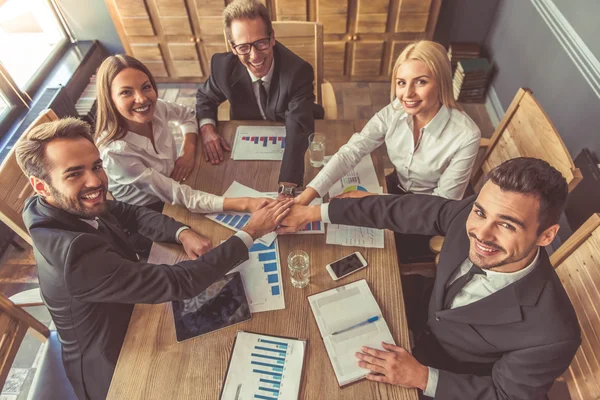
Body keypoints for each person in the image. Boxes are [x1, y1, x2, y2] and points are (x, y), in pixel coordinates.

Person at [16, 117, 292, 400]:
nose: (95, 181)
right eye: (74, 174)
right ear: (41, 186)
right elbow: (181, 281)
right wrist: (251, 231)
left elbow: (130, 213)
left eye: (96, 166)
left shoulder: (57, 203)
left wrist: (181, 232)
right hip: (118, 365)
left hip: (136, 310)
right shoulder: (74, 256)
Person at [279, 157, 581, 399]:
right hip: (417, 312)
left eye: (507, 225)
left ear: (546, 235)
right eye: (480, 212)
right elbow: (403, 209)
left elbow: (504, 395)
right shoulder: (471, 215)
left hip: (444, 377)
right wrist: (315, 213)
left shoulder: (553, 333)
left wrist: (422, 377)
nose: (481, 234)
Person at [295, 40, 481, 206]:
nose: (407, 94)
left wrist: (374, 200)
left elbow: (442, 205)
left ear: (442, 83)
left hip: (427, 208)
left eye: (420, 82)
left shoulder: (466, 135)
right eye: (401, 83)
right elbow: (353, 151)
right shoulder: (396, 109)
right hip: (394, 186)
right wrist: (308, 195)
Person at [95, 54, 268, 215]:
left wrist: (188, 150)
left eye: (146, 87)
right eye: (126, 92)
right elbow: (181, 196)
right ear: (109, 99)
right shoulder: (115, 152)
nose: (142, 99)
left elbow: (187, 115)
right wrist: (246, 204)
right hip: (150, 210)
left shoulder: (157, 108)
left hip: (177, 181)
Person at [196, 0, 324, 197]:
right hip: (247, 141)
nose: (254, 56)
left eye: (261, 43)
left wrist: (288, 186)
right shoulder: (222, 67)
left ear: (272, 38)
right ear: (233, 47)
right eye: (244, 47)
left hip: (289, 133)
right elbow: (205, 96)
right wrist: (207, 129)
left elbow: (298, 125)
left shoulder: (299, 71)